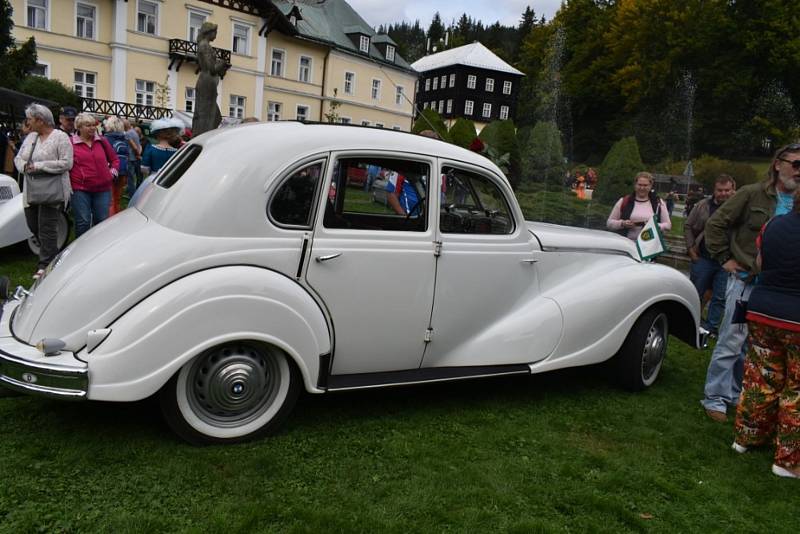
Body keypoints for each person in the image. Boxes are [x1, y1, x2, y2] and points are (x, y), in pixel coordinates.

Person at [701, 143, 799, 422]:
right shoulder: (751, 193)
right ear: (777, 164)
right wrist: (724, 260)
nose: (799, 170)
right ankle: (715, 397)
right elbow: (715, 224)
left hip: (780, 289)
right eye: (796, 163)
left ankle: (736, 393)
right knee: (732, 339)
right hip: (747, 281)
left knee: (757, 347)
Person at [732, 200, 800, 478]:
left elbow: (759, 263)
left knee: (761, 379)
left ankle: (745, 439)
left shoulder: (773, 224)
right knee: (796, 390)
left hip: (762, 310)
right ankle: (787, 461)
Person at [13, 104, 73, 278]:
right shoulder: (31, 137)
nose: (28, 123)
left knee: (47, 226)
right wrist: (24, 166)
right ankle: (53, 254)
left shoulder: (60, 137)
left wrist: (38, 166)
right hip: (32, 189)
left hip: (53, 190)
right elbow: (19, 157)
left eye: (30, 119)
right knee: (33, 224)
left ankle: (45, 265)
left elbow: (67, 163)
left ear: (40, 120)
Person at [684, 174, 736, 335]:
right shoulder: (702, 205)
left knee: (719, 297)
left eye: (727, 190)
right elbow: (688, 226)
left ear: (733, 190)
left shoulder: (739, 207)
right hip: (703, 257)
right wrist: (691, 249)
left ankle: (711, 328)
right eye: (720, 190)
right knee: (695, 292)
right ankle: (690, 322)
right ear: (714, 190)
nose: (723, 193)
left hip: (726, 260)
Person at [70, 112, 119, 237]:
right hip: (80, 189)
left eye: (93, 125)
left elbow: (114, 159)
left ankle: (97, 250)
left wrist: (112, 173)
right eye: (88, 125)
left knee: (101, 221)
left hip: (102, 188)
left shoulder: (101, 141)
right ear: (79, 127)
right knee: (83, 222)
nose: (92, 128)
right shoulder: (70, 143)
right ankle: (80, 250)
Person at [606, 171, 672, 240]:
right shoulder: (624, 201)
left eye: (645, 185)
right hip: (626, 245)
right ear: (635, 185)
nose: (642, 188)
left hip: (649, 247)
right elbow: (609, 223)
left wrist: (655, 226)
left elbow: (668, 225)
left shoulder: (658, 203)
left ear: (650, 186)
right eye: (639, 185)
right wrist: (622, 223)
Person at [102, 116, 130, 215]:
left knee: (110, 201)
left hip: (110, 171)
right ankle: (117, 221)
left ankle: (109, 223)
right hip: (123, 171)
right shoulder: (124, 139)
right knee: (118, 199)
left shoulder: (106, 139)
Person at [123, 118, 142, 198]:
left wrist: (137, 154)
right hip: (135, 158)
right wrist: (139, 154)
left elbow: (134, 146)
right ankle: (131, 192)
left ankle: (132, 195)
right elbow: (139, 145)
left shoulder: (127, 134)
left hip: (131, 158)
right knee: (135, 176)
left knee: (130, 178)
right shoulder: (134, 131)